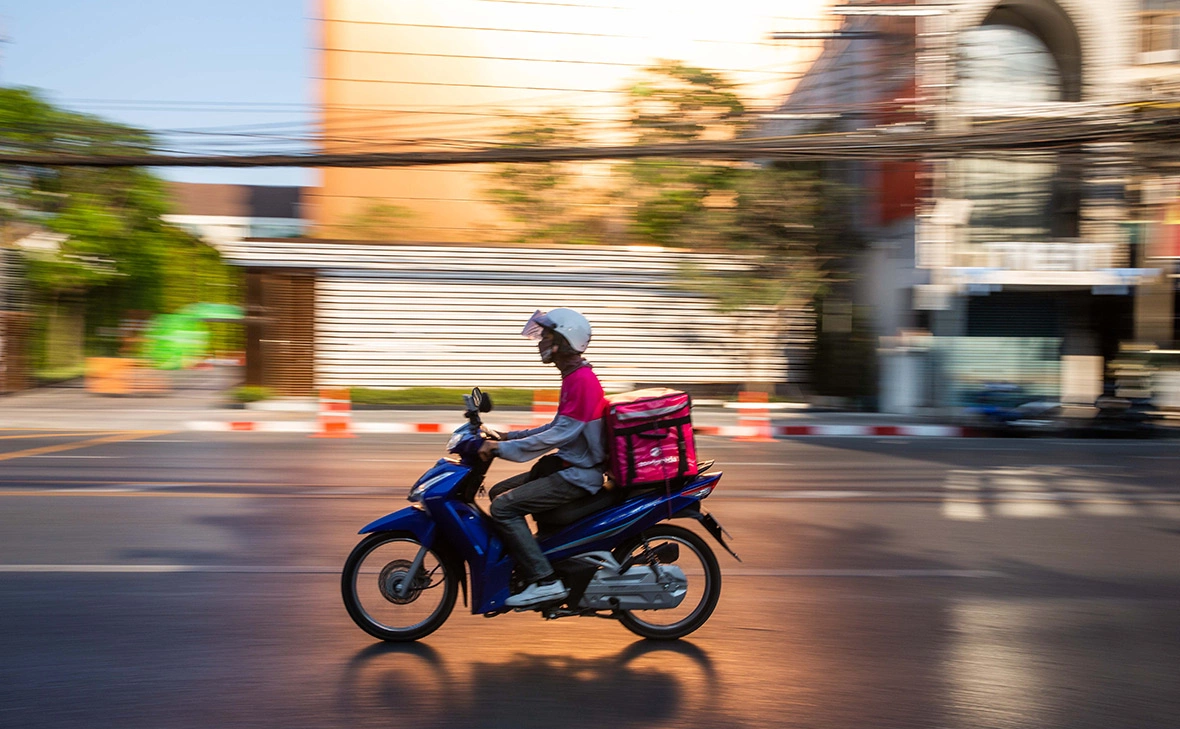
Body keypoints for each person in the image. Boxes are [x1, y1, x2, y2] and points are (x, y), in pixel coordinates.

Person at [478, 308, 607, 608]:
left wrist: (502, 450)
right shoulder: (575, 377)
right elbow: (556, 427)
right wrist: (506, 437)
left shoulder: (581, 381)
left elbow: (557, 435)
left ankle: (545, 580)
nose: (541, 342)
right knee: (499, 491)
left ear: (563, 340)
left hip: (578, 474)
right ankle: (533, 560)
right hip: (570, 465)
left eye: (547, 335)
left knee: (503, 508)